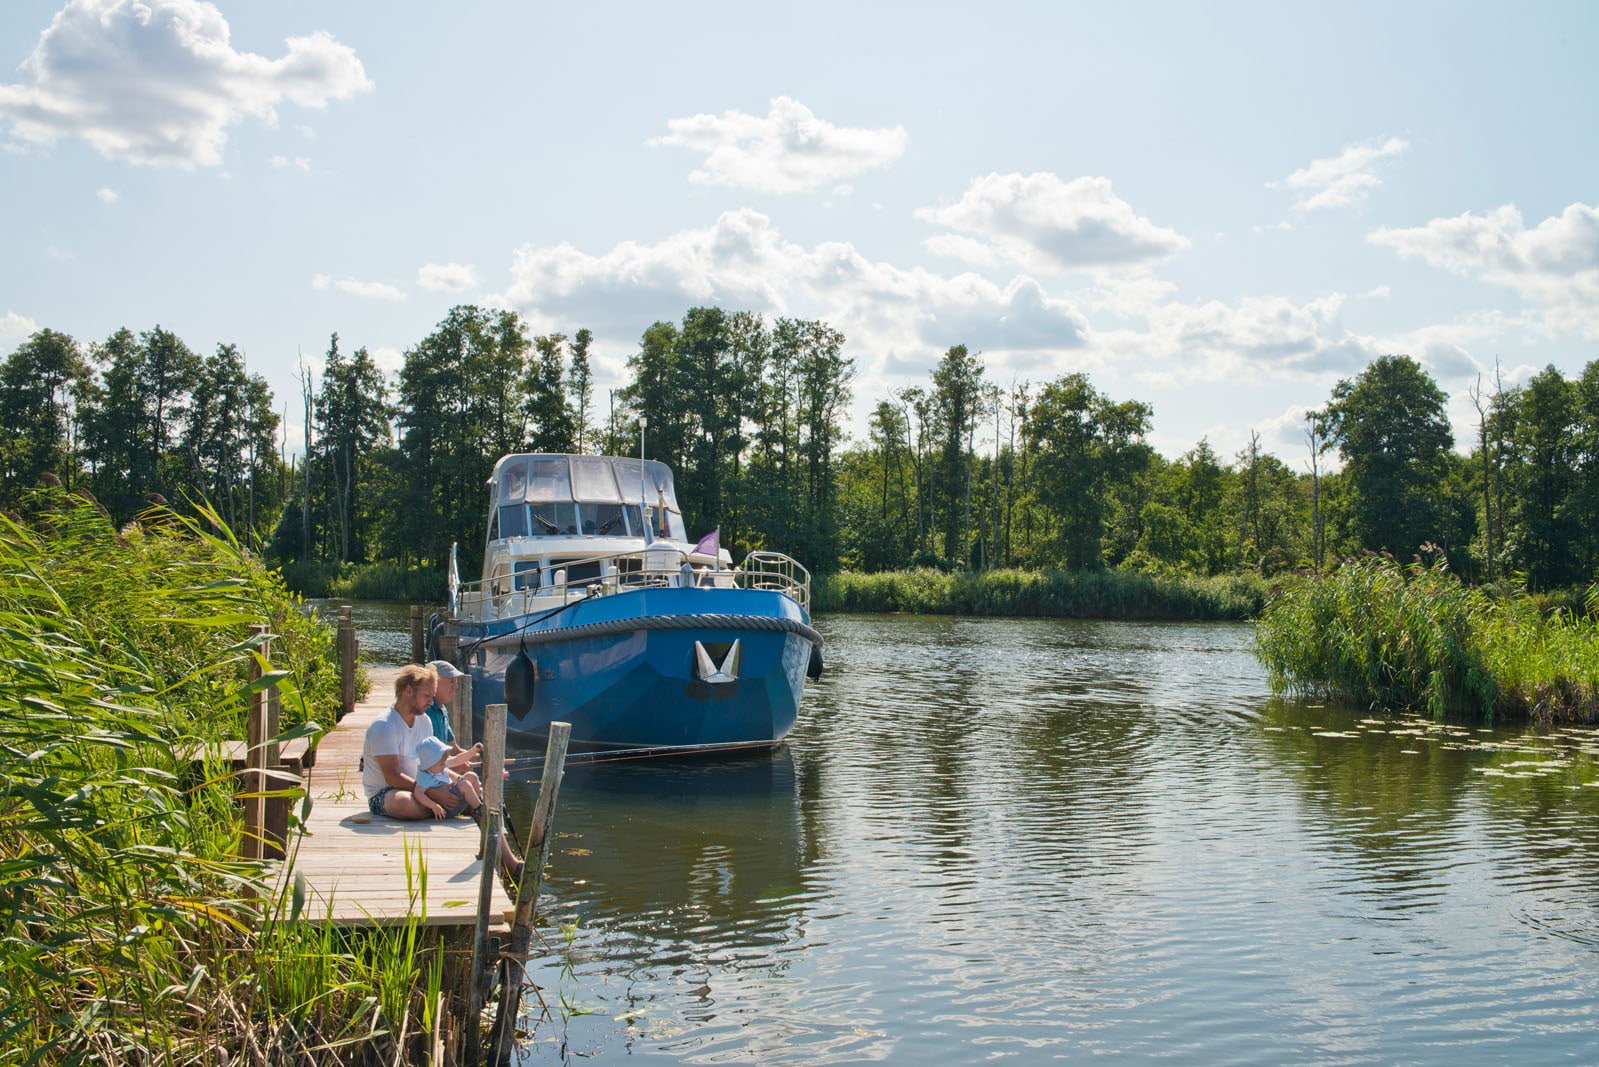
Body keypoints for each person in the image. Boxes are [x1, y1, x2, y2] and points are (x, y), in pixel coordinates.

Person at [424, 660, 484, 772]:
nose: (456, 686)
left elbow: (454, 750)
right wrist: (458, 763)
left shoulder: (442, 709)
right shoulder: (425, 711)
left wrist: (485, 758)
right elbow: (430, 759)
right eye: (452, 681)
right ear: (433, 682)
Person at [415, 735, 483, 818]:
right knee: (464, 785)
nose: (445, 765)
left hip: (455, 796)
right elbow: (418, 793)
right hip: (447, 806)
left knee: (471, 776)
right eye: (441, 764)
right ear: (429, 764)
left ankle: (476, 808)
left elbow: (457, 759)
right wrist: (434, 806)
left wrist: (472, 751)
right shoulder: (425, 775)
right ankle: (480, 809)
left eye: (444, 762)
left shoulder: (441, 764)